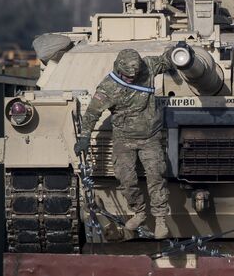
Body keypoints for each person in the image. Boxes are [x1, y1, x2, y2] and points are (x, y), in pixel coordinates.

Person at [74, 48, 173, 239]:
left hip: (150, 137)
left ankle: (160, 219)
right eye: (127, 76)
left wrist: (175, 52)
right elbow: (92, 113)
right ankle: (139, 212)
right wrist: (85, 137)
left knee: (156, 175)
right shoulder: (108, 87)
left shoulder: (148, 67)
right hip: (124, 139)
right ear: (119, 69)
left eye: (134, 75)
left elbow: (165, 61)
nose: (131, 78)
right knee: (125, 178)